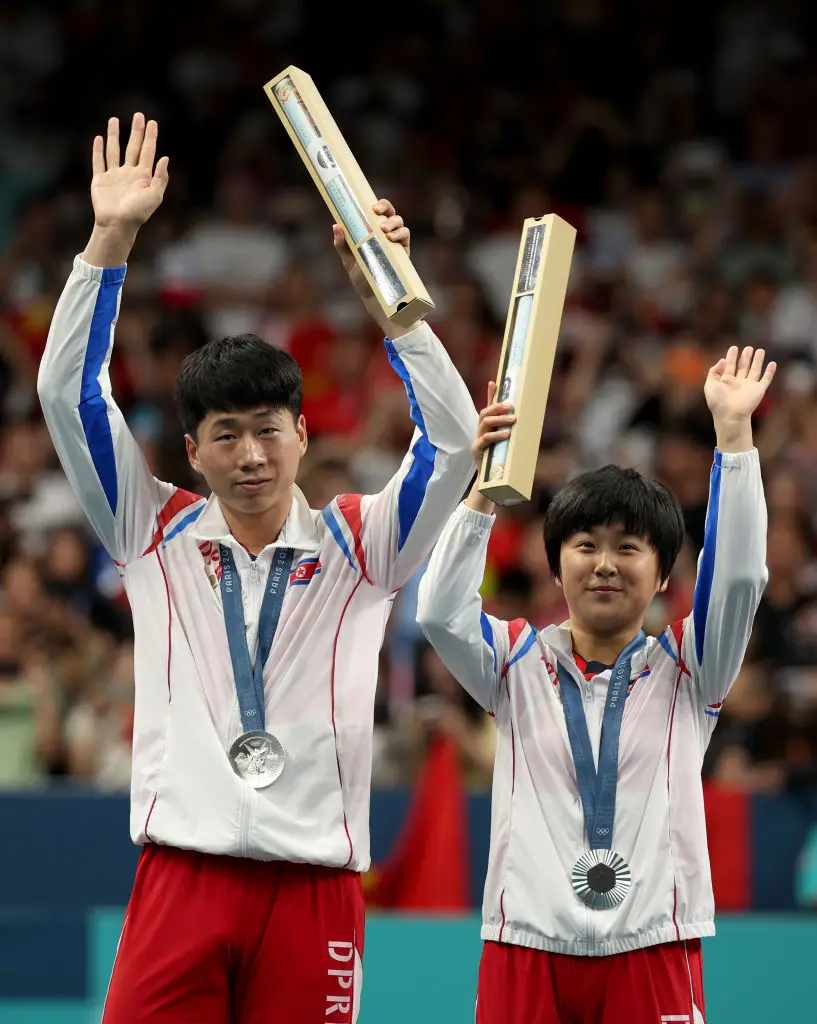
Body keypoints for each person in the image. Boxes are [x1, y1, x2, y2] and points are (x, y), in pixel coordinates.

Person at [38, 112, 477, 1022]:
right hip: (179, 880)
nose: (250, 455)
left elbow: (456, 439)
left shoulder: (363, 546)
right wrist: (108, 242)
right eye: (225, 435)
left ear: (303, 435)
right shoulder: (148, 531)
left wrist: (389, 300)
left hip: (311, 891)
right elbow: (66, 393)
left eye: (268, 430)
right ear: (191, 452)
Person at [417, 346, 775, 1024]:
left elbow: (737, 579)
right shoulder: (512, 662)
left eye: (628, 547)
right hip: (524, 944)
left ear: (663, 574)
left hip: (651, 943)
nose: (604, 565)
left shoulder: (690, 669)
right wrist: (483, 490)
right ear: (555, 567)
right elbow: (438, 610)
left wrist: (732, 435)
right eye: (584, 545)